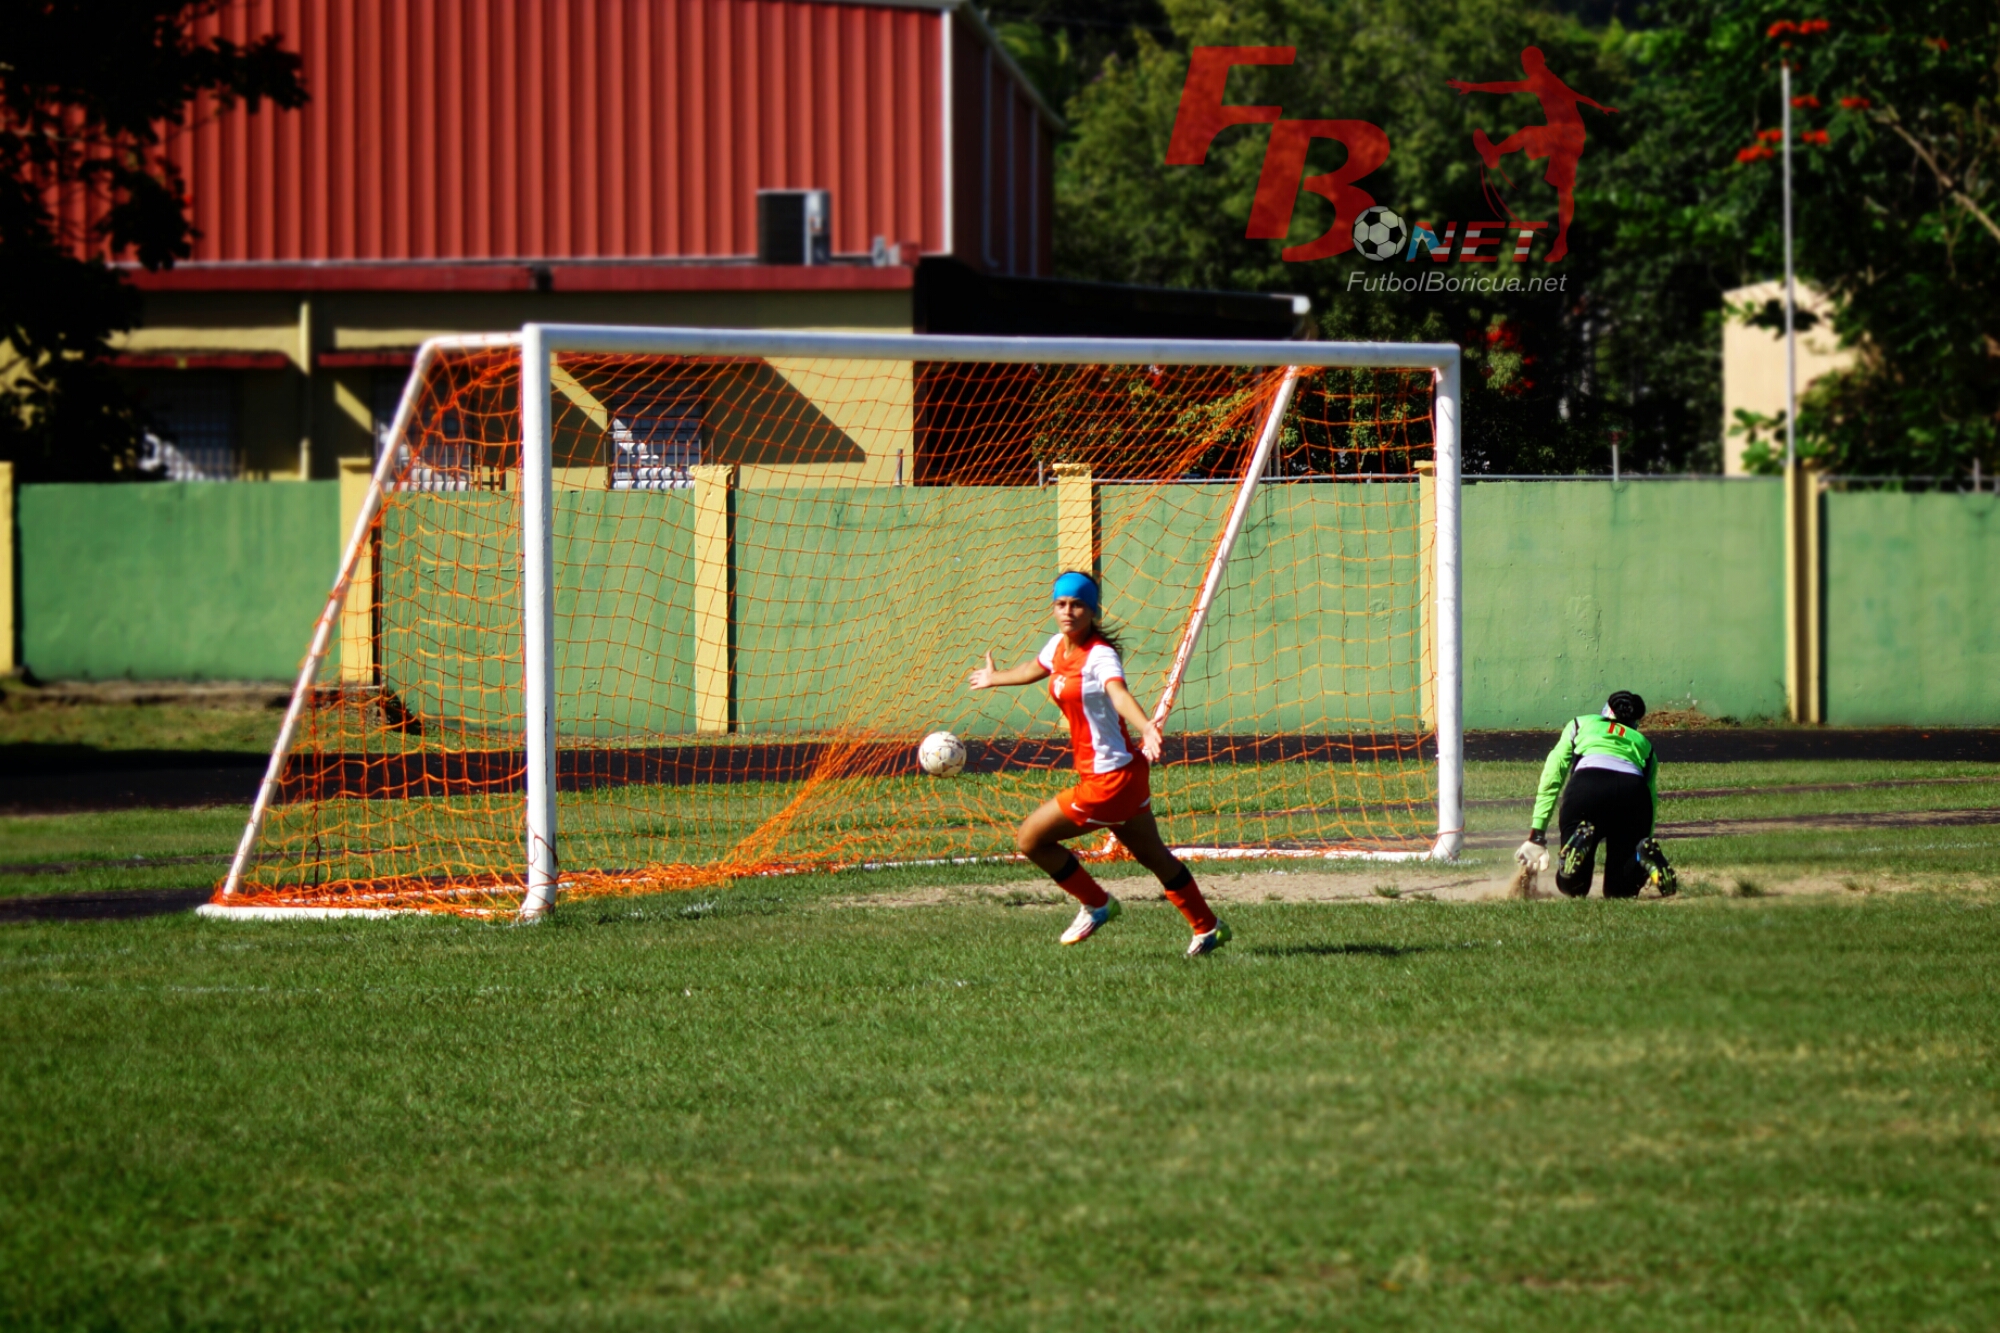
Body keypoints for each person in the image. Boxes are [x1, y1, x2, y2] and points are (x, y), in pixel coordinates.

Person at [967, 571, 1231, 957]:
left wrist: (1147, 727)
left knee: (1030, 839)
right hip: (1126, 774)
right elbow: (1033, 669)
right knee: (1153, 855)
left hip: (1107, 781)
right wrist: (995, 678)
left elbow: (1118, 694)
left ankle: (1097, 903)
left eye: (1077, 605)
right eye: (1061, 604)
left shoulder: (1100, 655)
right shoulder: (1059, 646)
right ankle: (1208, 927)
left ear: (1092, 610)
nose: (1068, 612)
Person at [1516, 690, 1677, 898]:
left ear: (1606, 710)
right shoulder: (1644, 744)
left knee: (1573, 887)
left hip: (1588, 787)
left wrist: (1537, 834)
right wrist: (1645, 837)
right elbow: (1651, 798)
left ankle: (1576, 852)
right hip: (1633, 793)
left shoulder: (1580, 724)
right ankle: (1642, 859)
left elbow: (1552, 775)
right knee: (1620, 891)